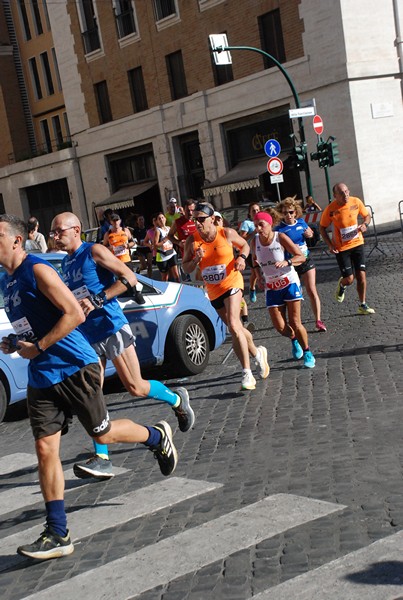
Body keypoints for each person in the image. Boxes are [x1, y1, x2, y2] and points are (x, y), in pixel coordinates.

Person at [0, 214, 178, 560]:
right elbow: (32, 324)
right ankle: (57, 532)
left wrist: (38, 347)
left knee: (104, 434)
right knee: (44, 450)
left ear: (16, 241)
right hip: (42, 374)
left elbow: (74, 314)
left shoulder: (38, 270)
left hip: (73, 366)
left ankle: (156, 436)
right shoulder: (7, 282)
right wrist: (16, 341)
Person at [51, 211, 194, 479]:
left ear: (76, 229)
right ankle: (102, 458)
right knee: (92, 396)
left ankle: (177, 399)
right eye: (53, 232)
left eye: (59, 231)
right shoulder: (65, 263)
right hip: (87, 337)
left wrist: (98, 300)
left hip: (111, 327)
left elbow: (129, 277)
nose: (55, 236)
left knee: (135, 387)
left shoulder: (93, 251)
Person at [182, 201, 270, 391]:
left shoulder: (225, 233)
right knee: (235, 327)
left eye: (201, 219)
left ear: (212, 219)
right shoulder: (192, 240)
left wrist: (241, 258)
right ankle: (257, 353)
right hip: (213, 290)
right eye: (194, 219)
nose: (197, 223)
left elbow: (245, 246)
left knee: (232, 323)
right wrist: (195, 260)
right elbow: (186, 266)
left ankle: (246, 372)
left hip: (232, 283)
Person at [250, 211, 316, 369]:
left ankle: (307, 352)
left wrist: (287, 262)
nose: (258, 228)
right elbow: (253, 262)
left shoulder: (280, 237)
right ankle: (294, 339)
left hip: (289, 282)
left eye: (261, 225)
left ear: (270, 224)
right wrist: (258, 277)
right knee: (280, 327)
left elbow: (301, 256)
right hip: (271, 287)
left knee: (295, 321)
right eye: (256, 225)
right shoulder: (255, 242)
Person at [319, 183, 375, 314]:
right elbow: (322, 227)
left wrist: (365, 224)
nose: (345, 195)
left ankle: (363, 304)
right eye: (341, 193)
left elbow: (367, 216)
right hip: (341, 248)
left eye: (346, 191)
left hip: (357, 243)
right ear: (335, 196)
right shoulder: (330, 210)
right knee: (350, 279)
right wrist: (330, 245)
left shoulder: (356, 201)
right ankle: (342, 284)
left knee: (361, 276)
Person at [275, 197, 327, 332]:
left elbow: (311, 235)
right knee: (294, 295)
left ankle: (318, 320)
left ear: (295, 212)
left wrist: (310, 235)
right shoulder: (279, 229)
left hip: (306, 260)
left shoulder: (302, 223)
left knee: (311, 289)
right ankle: (296, 322)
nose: (288, 215)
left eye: (291, 212)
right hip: (290, 264)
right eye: (285, 213)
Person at [239, 202, 261, 303]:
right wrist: (254, 232)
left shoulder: (262, 221)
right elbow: (242, 238)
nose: (256, 212)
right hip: (251, 252)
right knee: (255, 273)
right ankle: (252, 289)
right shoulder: (247, 223)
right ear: (249, 213)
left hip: (262, 250)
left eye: (257, 210)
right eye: (253, 211)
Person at [154, 212, 180, 283]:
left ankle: (180, 289)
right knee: (165, 278)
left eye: (162, 218)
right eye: (159, 219)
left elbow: (174, 237)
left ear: (165, 219)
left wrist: (180, 242)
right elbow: (155, 245)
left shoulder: (168, 228)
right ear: (157, 221)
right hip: (162, 256)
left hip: (171, 252)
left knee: (177, 275)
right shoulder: (158, 231)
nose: (161, 220)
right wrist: (164, 241)